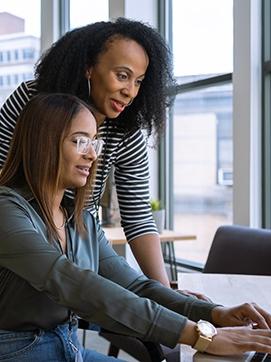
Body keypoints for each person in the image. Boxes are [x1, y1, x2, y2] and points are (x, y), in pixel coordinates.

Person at [0, 93, 271, 362]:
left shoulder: (79, 220)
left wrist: (213, 313)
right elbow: (76, 285)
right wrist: (200, 335)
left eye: (95, 142)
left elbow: (136, 286)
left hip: (70, 349)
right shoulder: (6, 209)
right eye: (80, 141)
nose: (93, 154)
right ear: (42, 144)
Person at [0, 17, 177, 289]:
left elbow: (138, 216)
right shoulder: (33, 100)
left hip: (75, 245)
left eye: (139, 81)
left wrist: (166, 292)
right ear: (89, 68)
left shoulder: (125, 131)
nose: (129, 92)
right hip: (19, 244)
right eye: (122, 75)